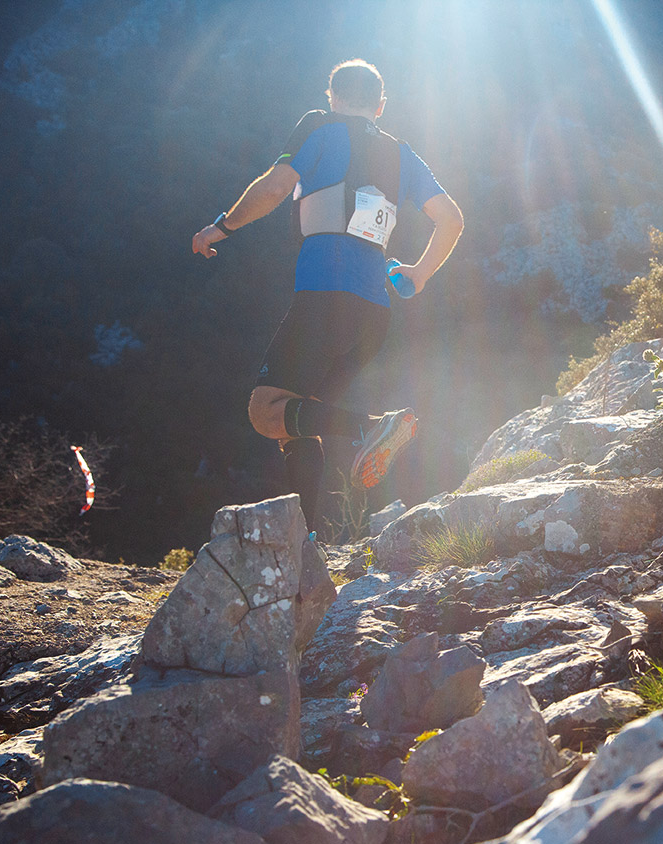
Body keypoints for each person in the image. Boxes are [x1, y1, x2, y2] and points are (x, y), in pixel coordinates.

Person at [192, 59, 463, 529]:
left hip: (323, 299)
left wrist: (223, 226)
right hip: (374, 315)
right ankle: (306, 540)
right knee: (296, 421)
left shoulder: (318, 126)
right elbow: (453, 219)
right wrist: (418, 274)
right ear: (380, 106)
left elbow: (276, 187)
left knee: (263, 411)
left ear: (332, 97)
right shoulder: (403, 154)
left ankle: (371, 427)